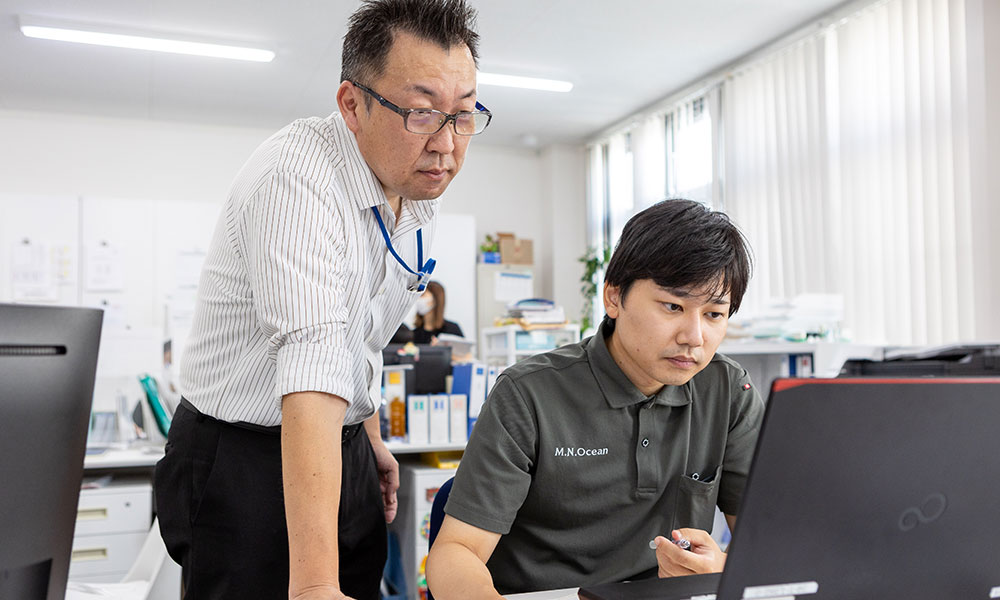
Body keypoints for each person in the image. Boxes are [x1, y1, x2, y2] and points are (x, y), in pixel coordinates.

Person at [153, 2, 489, 599]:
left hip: (338, 438)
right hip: (242, 453)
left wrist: (368, 434)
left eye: (462, 115)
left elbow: (358, 335)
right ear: (352, 105)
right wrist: (312, 585)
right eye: (420, 113)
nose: (446, 145)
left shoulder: (416, 195)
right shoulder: (297, 179)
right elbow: (312, 363)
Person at [426, 199, 764, 598]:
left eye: (713, 314)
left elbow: (774, 541)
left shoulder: (728, 390)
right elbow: (456, 552)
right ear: (614, 297)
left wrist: (723, 569)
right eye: (673, 306)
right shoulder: (528, 394)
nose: (694, 337)